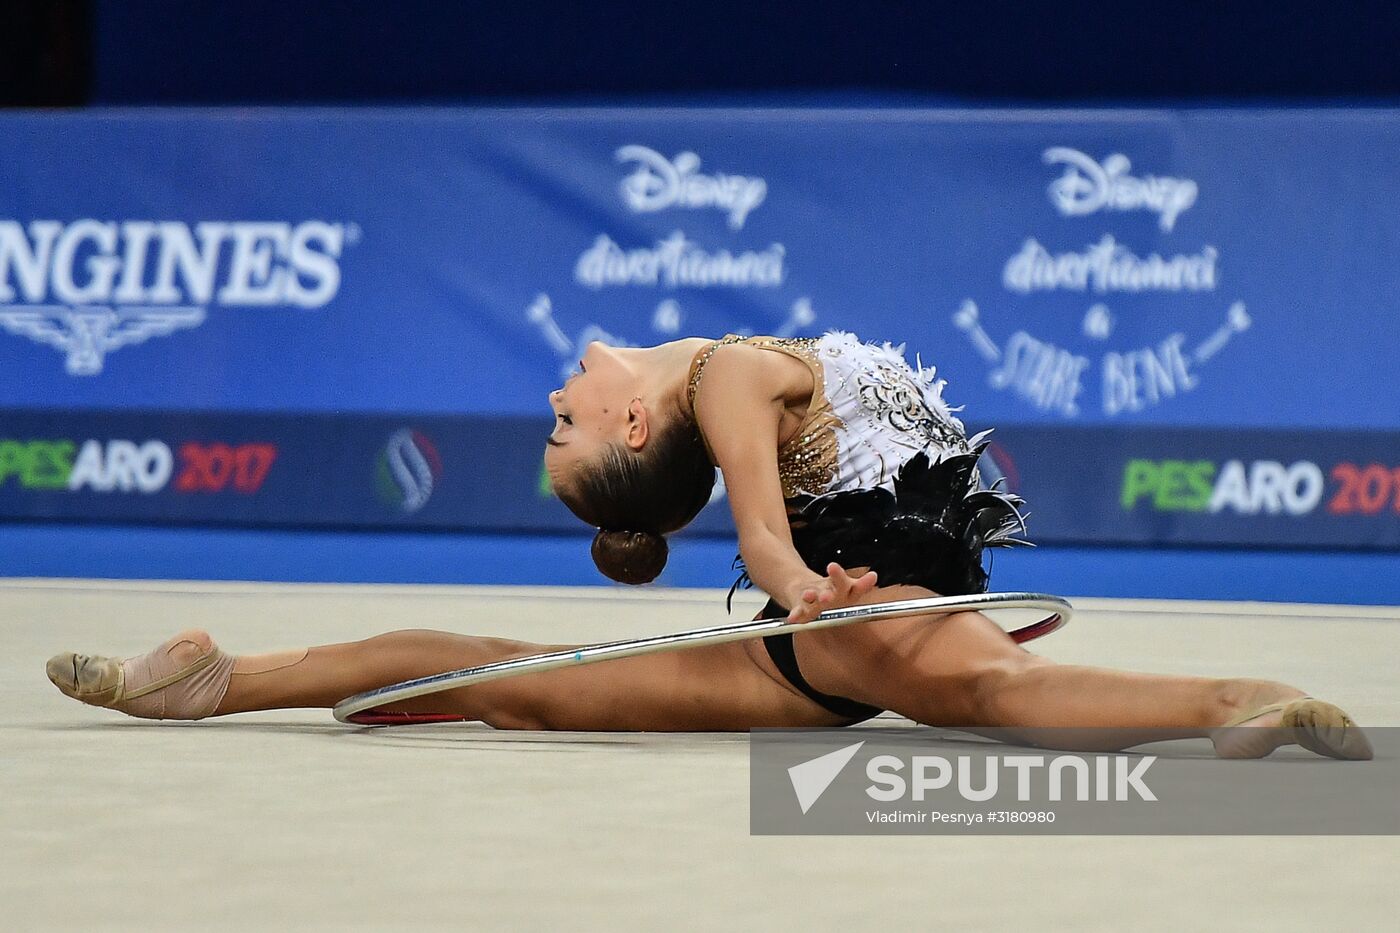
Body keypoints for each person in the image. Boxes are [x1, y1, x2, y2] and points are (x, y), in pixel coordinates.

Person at [46, 332, 1372, 759]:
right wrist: (802, 589)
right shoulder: (731, 378)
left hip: (850, 607)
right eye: (563, 430)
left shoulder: (731, 372)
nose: (553, 406)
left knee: (515, 674)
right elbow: (756, 519)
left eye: (554, 426)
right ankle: (226, 676)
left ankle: (1232, 703)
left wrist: (805, 591)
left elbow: (763, 523)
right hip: (849, 602)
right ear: (637, 419)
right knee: (511, 679)